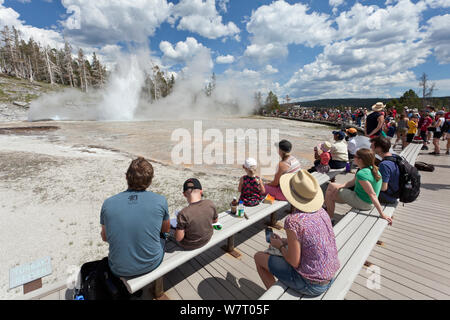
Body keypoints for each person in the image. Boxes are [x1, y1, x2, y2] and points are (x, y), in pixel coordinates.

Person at [254, 170, 340, 296]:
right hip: (329, 275)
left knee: (258, 257)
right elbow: (309, 238)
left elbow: (294, 262)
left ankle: (274, 297)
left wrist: (280, 246)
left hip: (311, 284)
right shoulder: (322, 212)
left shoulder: (294, 221)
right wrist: (284, 241)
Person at [100, 157, 170, 278]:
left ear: (126, 177)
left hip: (118, 267)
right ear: (150, 181)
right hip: (151, 263)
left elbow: (105, 237)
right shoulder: (160, 200)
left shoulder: (108, 203)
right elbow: (165, 230)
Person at [324, 149, 393, 225]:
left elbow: (372, 194)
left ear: (360, 160)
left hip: (363, 203)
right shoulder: (374, 169)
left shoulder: (361, 174)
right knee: (332, 186)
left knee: (329, 193)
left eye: (355, 156)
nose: (353, 158)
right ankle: (327, 209)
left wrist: (381, 213)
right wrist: (340, 186)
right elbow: (352, 182)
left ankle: (330, 218)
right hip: (365, 200)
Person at [175, 178, 218, 250]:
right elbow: (215, 221)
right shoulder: (210, 203)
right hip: (207, 238)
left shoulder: (183, 213)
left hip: (190, 244)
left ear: (184, 194)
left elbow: (179, 238)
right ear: (201, 192)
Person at [370, 136, 400, 205]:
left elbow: (383, 188)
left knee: (360, 187)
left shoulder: (384, 165)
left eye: (372, 146)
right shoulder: (394, 157)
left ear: (379, 148)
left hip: (388, 197)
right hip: (395, 193)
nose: (371, 148)